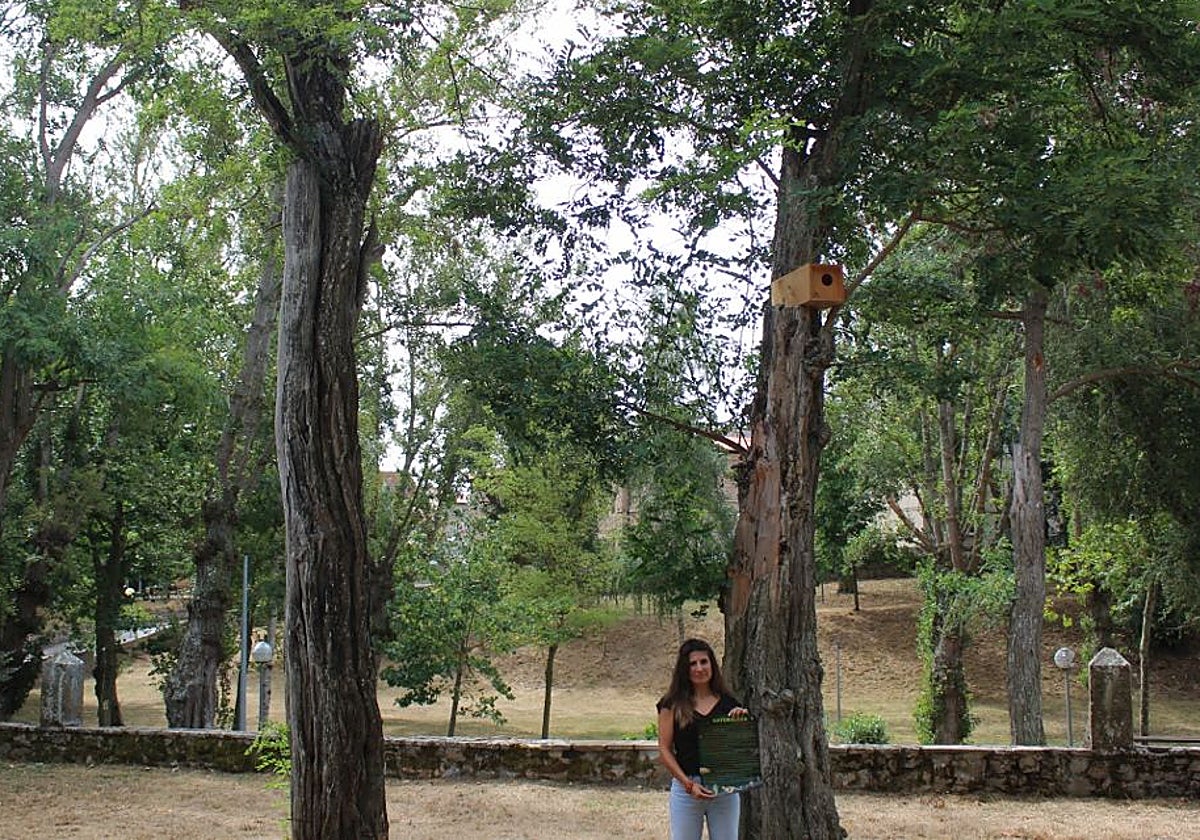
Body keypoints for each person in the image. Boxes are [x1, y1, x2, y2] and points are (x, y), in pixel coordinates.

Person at [656, 638, 748, 840]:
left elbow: (741, 752)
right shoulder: (671, 704)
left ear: (712, 665)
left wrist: (741, 725)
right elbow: (664, 748)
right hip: (686, 788)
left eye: (704, 662)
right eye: (692, 663)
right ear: (684, 669)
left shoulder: (729, 704)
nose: (699, 668)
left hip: (724, 790)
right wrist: (688, 785)